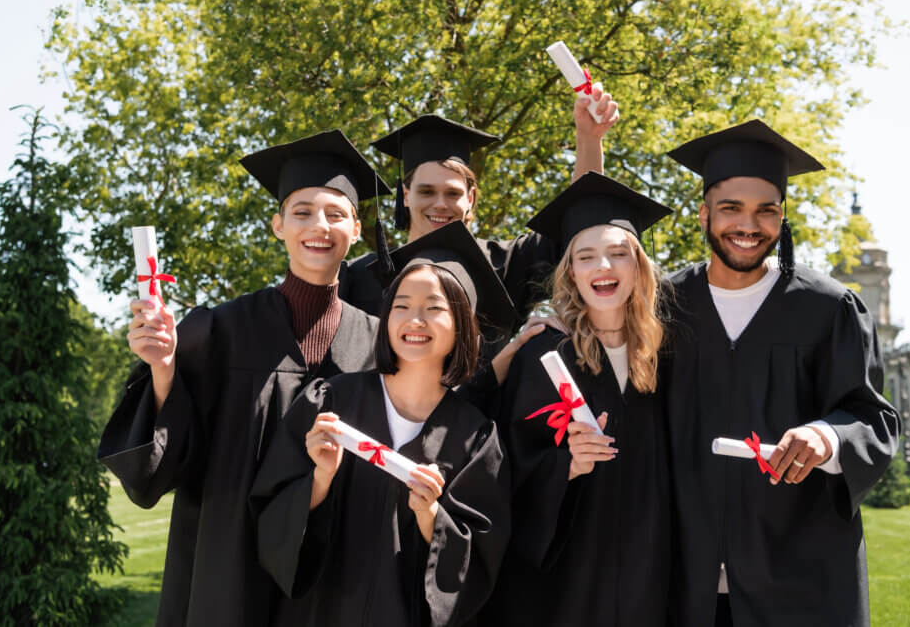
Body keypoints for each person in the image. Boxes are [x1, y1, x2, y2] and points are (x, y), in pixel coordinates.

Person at [98, 130, 390, 627]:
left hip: (333, 567)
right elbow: (165, 459)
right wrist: (164, 368)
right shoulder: (220, 329)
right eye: (301, 212)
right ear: (278, 225)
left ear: (357, 228)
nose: (319, 226)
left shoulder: (379, 342)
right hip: (229, 564)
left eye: (336, 213)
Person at [662, 120, 900, 626]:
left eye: (765, 211)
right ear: (704, 214)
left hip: (795, 577)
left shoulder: (827, 307)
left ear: (782, 217)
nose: (748, 225)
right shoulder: (664, 305)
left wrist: (826, 437)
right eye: (731, 208)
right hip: (682, 574)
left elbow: (873, 419)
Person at [250, 221, 515, 626]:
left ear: (462, 323)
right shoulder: (332, 401)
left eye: (434, 307)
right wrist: (319, 480)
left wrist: (432, 517)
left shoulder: (475, 437)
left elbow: (482, 558)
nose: (415, 319)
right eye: (402, 305)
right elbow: (270, 514)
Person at [481, 172, 675, 626]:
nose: (603, 267)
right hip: (566, 574)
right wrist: (563, 465)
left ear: (639, 266)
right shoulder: (545, 354)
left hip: (650, 563)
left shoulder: (668, 353)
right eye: (586, 257)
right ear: (570, 271)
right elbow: (504, 457)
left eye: (618, 254)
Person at [339, 89, 620, 390]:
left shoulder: (503, 265)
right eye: (426, 192)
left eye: (453, 193)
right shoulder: (360, 275)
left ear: (471, 199)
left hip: (477, 431)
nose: (439, 204)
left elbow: (574, 229)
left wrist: (589, 139)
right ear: (406, 195)